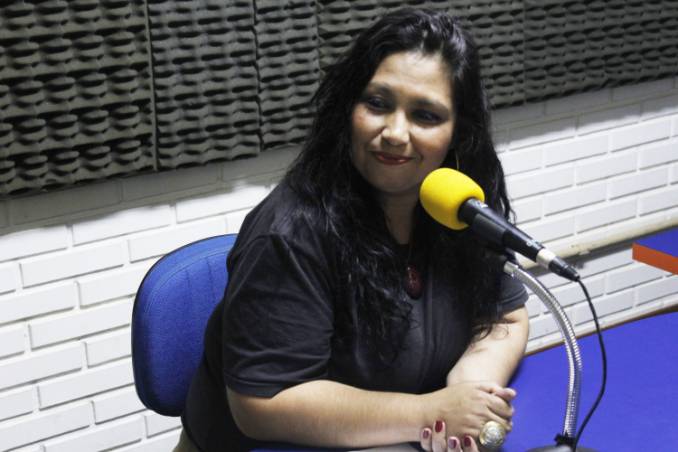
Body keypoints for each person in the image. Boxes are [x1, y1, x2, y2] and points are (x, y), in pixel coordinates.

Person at [176, 7, 529, 452]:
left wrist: (471, 387)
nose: (395, 132)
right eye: (377, 104)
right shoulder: (290, 231)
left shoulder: (458, 208)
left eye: (425, 115)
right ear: (348, 107)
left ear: (458, 132)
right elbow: (262, 403)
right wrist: (431, 412)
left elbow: (504, 316)